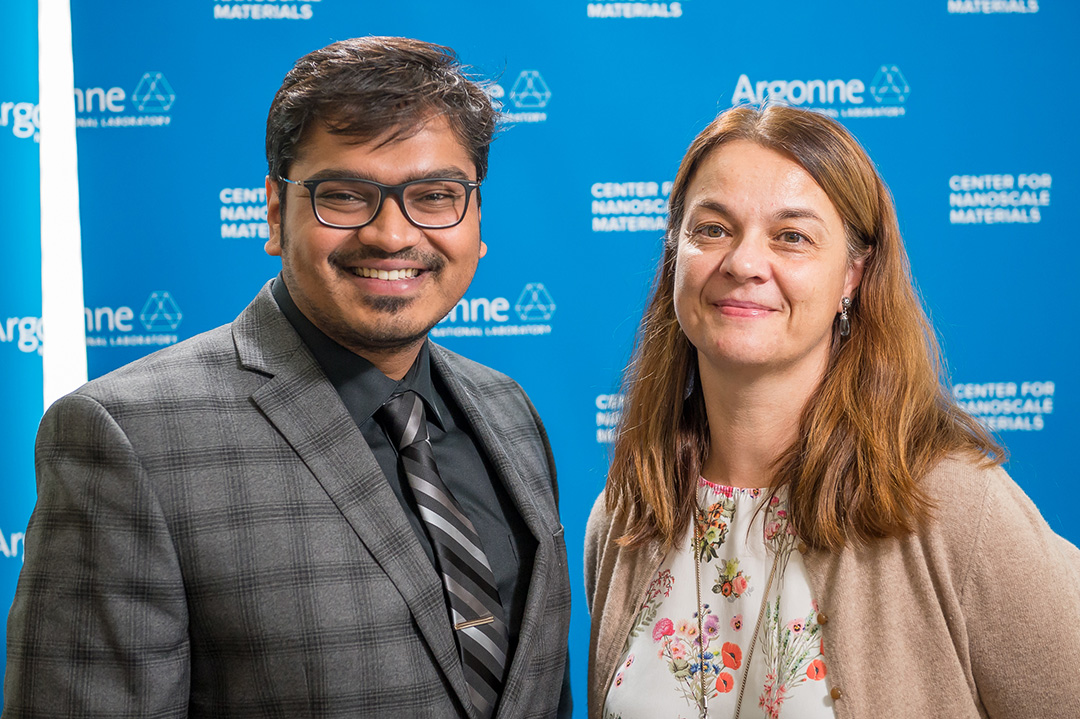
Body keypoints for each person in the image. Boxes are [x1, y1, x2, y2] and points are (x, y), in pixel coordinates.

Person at [5, 37, 571, 719]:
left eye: (435, 195)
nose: (392, 234)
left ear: (476, 218)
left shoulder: (509, 411)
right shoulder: (129, 438)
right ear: (275, 213)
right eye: (344, 195)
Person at [585, 104, 1080, 719]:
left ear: (853, 274)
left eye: (791, 236)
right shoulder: (626, 515)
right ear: (673, 253)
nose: (742, 263)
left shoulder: (952, 507)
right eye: (712, 228)